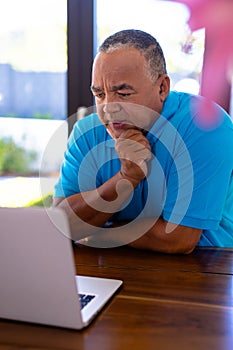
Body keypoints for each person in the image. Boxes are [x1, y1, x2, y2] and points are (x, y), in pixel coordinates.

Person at [53, 29, 233, 254]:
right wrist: (126, 177)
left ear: (162, 88)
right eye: (100, 94)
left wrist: (96, 231)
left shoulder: (206, 123)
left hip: (209, 266)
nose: (108, 107)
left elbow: (178, 238)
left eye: (124, 94)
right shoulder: (86, 132)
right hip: (113, 262)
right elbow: (60, 224)